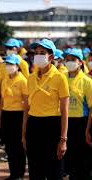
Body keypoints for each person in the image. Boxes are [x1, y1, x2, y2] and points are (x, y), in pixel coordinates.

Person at [23, 39, 69, 180]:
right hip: (33, 126)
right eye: (36, 53)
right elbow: (27, 107)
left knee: (54, 171)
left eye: (42, 53)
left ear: (51, 57)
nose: (37, 56)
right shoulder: (30, 78)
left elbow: (65, 110)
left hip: (52, 126)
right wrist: (23, 133)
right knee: (35, 171)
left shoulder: (60, 78)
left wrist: (63, 139)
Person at [63, 48, 92, 180]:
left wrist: (87, 131)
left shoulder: (87, 82)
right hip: (65, 122)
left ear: (80, 62)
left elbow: (91, 109)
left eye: (73, 60)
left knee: (82, 161)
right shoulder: (62, 79)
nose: (69, 62)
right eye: (67, 60)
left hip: (81, 124)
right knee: (68, 160)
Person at [0, 54, 27, 180]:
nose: (8, 67)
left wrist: (24, 122)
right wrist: (0, 118)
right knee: (9, 147)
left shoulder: (23, 81)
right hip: (6, 114)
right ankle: (13, 173)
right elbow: (2, 100)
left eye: (11, 64)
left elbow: (26, 103)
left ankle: (19, 174)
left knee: (18, 146)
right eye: (7, 64)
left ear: (17, 66)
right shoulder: (5, 80)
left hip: (18, 115)